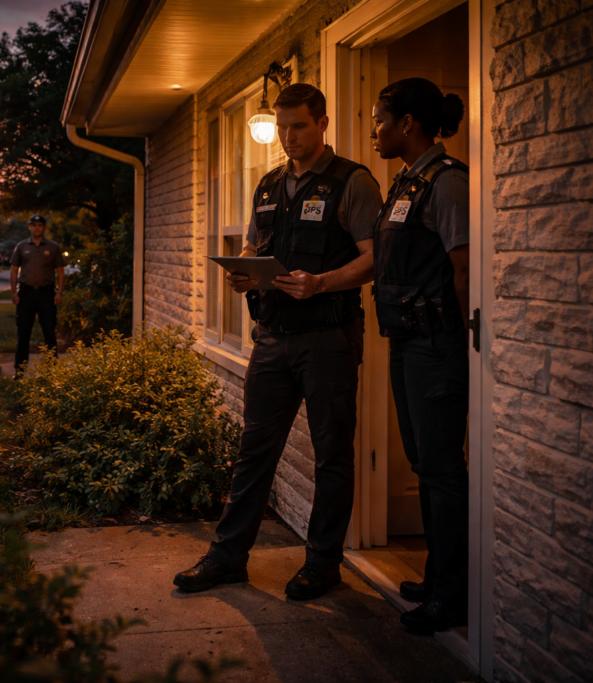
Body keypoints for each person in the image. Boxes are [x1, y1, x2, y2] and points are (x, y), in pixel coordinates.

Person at [173, 83, 383, 600]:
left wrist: (321, 282)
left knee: (332, 453)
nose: (289, 137)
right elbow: (252, 244)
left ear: (323, 123)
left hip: (327, 339)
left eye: (299, 127)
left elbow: (376, 257)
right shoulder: (268, 184)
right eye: (283, 127)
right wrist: (245, 271)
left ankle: (323, 563)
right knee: (253, 451)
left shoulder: (352, 182)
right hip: (271, 338)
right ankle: (227, 558)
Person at [369, 77, 470, 633]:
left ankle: (452, 595)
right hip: (407, 343)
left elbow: (464, 271)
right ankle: (438, 579)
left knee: (441, 470)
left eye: (380, 119)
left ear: (407, 124)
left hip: (438, 345)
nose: (374, 131)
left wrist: (468, 343)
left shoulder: (448, 183)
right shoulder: (407, 182)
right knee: (424, 464)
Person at [10, 215, 65, 377]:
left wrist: (59, 292)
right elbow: (14, 270)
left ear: (44, 227)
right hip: (25, 295)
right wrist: (14, 292)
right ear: (29, 227)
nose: (37, 228)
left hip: (46, 295)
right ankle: (19, 371)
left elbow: (60, 271)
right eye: (34, 225)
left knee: (49, 332)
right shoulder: (21, 247)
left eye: (40, 225)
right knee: (23, 334)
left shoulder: (53, 247)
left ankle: (51, 370)